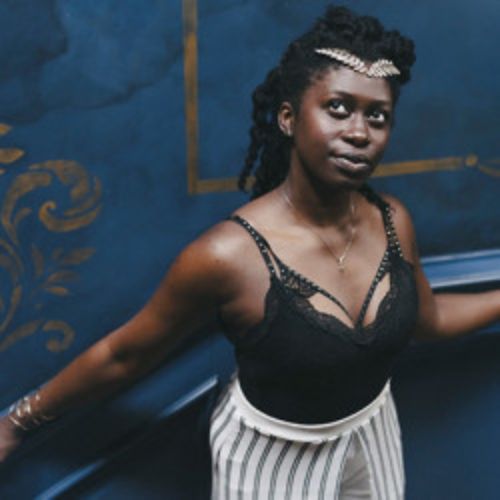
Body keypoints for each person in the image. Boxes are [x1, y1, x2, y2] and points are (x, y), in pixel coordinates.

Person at [1, 4, 500, 499]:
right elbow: (122, 356)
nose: (358, 132)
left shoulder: (392, 219)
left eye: (378, 116)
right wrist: (16, 423)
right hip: (271, 464)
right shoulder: (227, 256)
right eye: (338, 108)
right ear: (288, 118)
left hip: (373, 436)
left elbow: (429, 319)